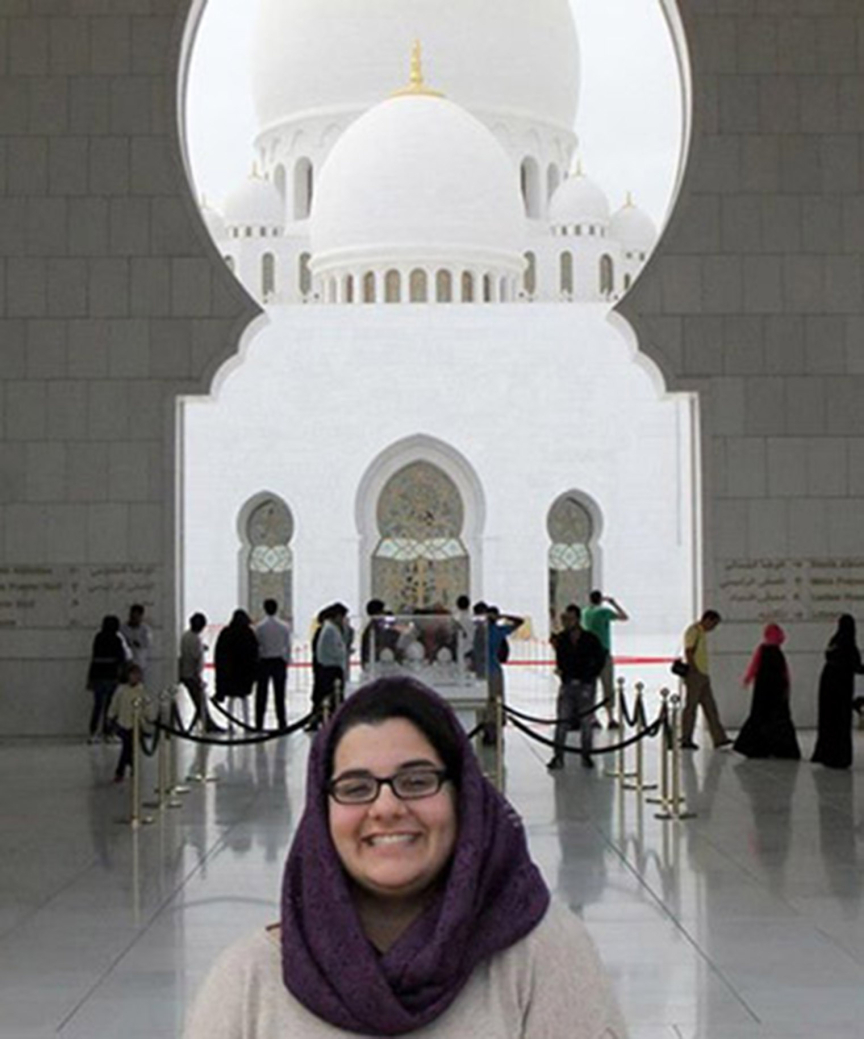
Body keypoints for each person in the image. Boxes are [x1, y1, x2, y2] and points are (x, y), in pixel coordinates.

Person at [184, 677, 628, 1038]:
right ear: (322, 812)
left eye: (416, 781)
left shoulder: (542, 955)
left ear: (465, 798)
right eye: (356, 788)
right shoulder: (250, 983)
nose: (386, 808)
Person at [547, 605, 608, 770]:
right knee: (562, 721)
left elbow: (601, 658)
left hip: (586, 685)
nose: (567, 622)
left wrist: (591, 676)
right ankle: (558, 757)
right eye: (565, 619)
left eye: (570, 618)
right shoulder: (562, 640)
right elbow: (560, 658)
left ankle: (586, 756)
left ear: (578, 619)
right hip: (567, 685)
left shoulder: (590, 639)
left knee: (586, 723)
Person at [733, 623, 800, 760]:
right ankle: (781, 750)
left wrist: (747, 680)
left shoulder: (762, 649)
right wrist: (787, 688)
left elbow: (754, 666)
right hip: (778, 691)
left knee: (760, 716)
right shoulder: (778, 652)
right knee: (779, 718)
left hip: (762, 691)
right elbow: (785, 673)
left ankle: (756, 748)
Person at [812, 614, 864, 770]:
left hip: (827, 685)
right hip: (842, 688)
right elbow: (856, 666)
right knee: (841, 722)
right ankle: (839, 757)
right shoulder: (849, 645)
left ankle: (826, 754)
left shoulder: (834, 642)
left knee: (828, 720)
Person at [679, 609, 731, 751]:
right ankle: (686, 738)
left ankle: (720, 739)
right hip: (695, 675)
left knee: (710, 708)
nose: (713, 628)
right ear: (707, 619)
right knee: (691, 708)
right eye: (713, 624)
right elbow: (688, 651)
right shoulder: (693, 631)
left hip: (703, 675)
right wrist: (694, 670)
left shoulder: (701, 632)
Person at [581, 590, 628, 729]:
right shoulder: (603, 612)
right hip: (603, 653)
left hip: (588, 655)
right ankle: (610, 718)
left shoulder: (585, 612)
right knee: (607, 686)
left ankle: (592, 717)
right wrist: (613, 603)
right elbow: (624, 617)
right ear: (600, 599)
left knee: (591, 687)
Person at [482, 605, 523, 744]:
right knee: (489, 701)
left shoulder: (496, 631)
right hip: (488, 670)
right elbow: (519, 621)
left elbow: (520, 622)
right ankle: (488, 731)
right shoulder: (482, 631)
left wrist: (502, 617)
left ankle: (494, 732)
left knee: (495, 701)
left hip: (492, 669)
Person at [106, 663, 152, 782]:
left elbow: (147, 706)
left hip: (136, 725)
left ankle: (122, 771)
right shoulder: (121, 690)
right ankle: (129, 768)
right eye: (132, 674)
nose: (134, 677)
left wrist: (149, 718)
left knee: (128, 748)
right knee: (128, 747)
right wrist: (110, 716)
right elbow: (114, 704)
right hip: (123, 723)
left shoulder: (141, 691)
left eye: (137, 675)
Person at [179, 612, 223, 733]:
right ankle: (207, 724)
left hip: (186, 673)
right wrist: (198, 677)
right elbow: (196, 659)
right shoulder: (196, 639)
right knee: (200, 702)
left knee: (199, 701)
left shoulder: (186, 636)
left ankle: (203, 723)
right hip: (191, 675)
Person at [86, 615, 128, 743]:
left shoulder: (98, 637)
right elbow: (122, 658)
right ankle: (108, 732)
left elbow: (94, 658)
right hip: (111, 675)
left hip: (98, 675)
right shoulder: (116, 639)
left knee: (98, 705)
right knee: (110, 706)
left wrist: (90, 678)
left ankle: (94, 732)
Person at [213, 609, 259, 724]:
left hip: (230, 673)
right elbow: (255, 653)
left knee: (231, 700)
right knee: (244, 699)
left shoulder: (226, 633)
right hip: (245, 674)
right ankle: (247, 722)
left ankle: (230, 723)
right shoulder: (249, 633)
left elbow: (220, 654)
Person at [255, 599, 292, 730]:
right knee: (280, 694)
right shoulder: (284, 626)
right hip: (279, 661)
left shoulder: (259, 627)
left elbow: (258, 647)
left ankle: (259, 722)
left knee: (261, 694)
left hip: (264, 662)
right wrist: (287, 661)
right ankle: (282, 721)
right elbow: (287, 646)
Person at [314, 603, 349, 720]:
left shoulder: (331, 628)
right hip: (331, 669)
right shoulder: (330, 630)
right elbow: (334, 650)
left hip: (332, 667)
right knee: (333, 698)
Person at [120, 603, 153, 682]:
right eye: (132, 616)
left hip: (139, 664)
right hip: (126, 664)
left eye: (137, 616)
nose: (134, 619)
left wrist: (137, 643)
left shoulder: (145, 630)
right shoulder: (122, 629)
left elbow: (147, 644)